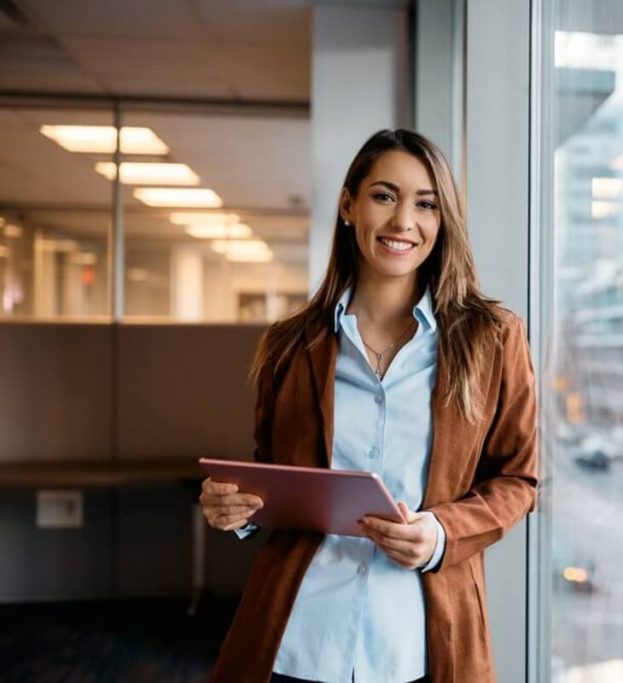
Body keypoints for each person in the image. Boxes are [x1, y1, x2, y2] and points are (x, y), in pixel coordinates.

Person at [198, 129, 538, 683]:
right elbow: (273, 477)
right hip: (299, 640)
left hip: (420, 644)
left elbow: (518, 480)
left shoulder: (493, 338)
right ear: (348, 205)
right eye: (385, 196)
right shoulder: (290, 345)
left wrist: (441, 533)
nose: (404, 221)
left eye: (425, 203)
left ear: (442, 218)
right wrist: (236, 510)